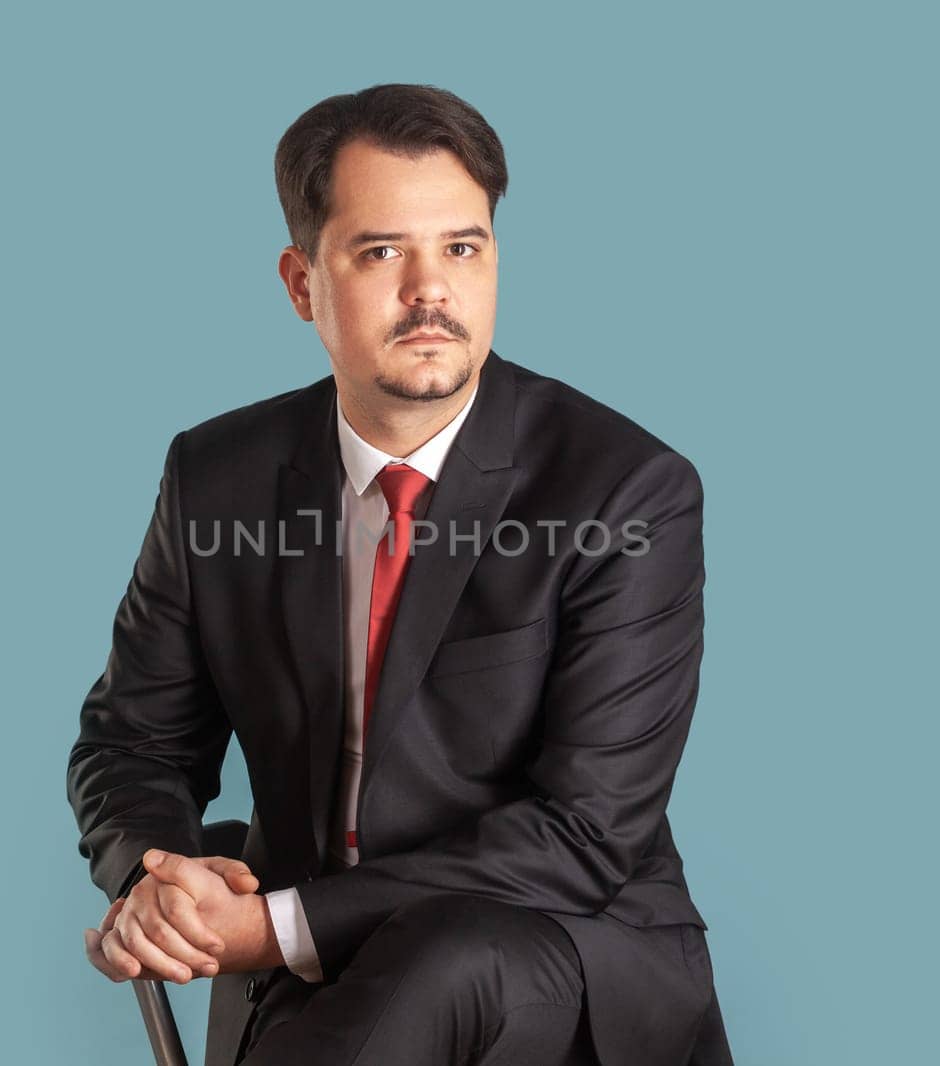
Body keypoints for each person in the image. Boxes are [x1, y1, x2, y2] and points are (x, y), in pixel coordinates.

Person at [68, 83, 733, 1066]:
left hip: (554, 955)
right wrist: (160, 880)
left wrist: (275, 926)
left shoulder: (626, 492)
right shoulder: (217, 477)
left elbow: (585, 834)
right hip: (318, 989)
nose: (431, 289)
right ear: (302, 285)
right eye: (383, 252)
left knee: (445, 957)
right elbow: (133, 738)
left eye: (461, 248)